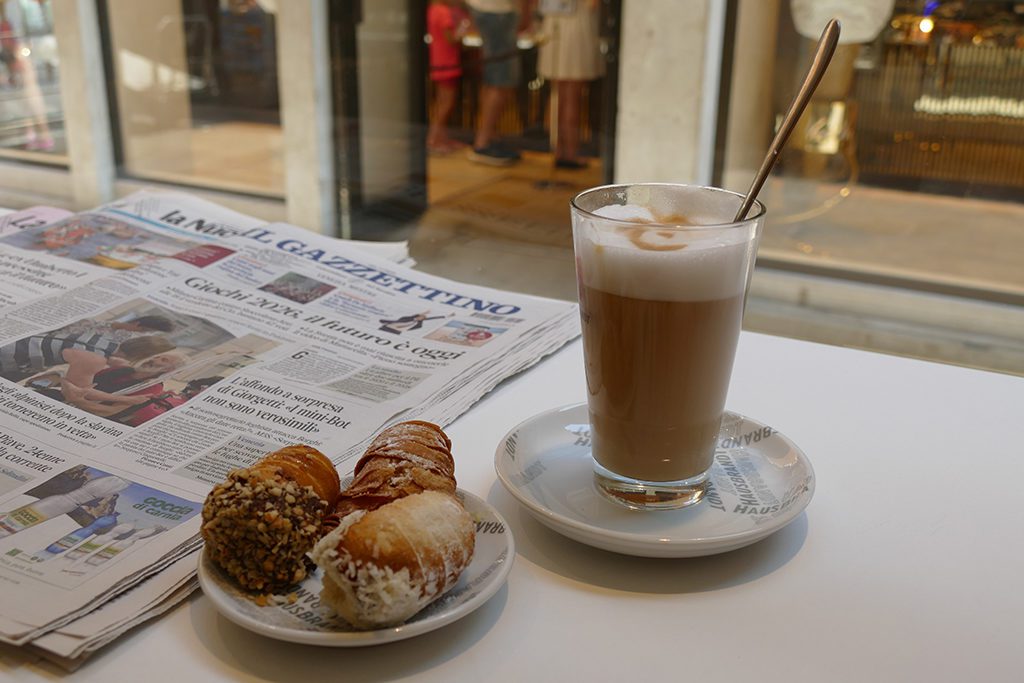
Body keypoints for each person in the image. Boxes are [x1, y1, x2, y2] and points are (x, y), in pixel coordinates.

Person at [537, 0, 603, 169]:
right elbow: (592, 4)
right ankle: (571, 152)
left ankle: (560, 149)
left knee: (559, 94)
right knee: (571, 96)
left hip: (554, 27)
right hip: (575, 29)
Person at [466, 0, 529, 166]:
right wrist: (525, 10)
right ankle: (483, 141)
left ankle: (487, 135)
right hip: (498, 11)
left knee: (494, 77)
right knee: (501, 80)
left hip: (490, 10)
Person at [0, 332, 173, 383]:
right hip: (11, 359)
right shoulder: (95, 358)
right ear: (142, 355)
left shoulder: (100, 339)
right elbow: (76, 385)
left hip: (13, 340)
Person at [427, 0, 470, 154]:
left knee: (441, 102)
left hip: (438, 61)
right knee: (446, 103)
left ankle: (440, 138)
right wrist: (462, 30)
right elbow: (451, 39)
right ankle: (434, 139)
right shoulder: (444, 12)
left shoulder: (433, 9)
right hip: (447, 63)